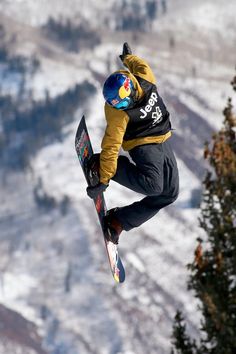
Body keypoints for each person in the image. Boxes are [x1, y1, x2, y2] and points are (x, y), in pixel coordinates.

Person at [86, 43, 179, 244]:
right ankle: (108, 166)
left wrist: (128, 58)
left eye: (120, 101)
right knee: (154, 186)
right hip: (143, 143)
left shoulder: (145, 80)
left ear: (129, 88)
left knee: (170, 193)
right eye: (113, 103)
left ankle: (119, 219)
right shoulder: (118, 113)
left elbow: (140, 65)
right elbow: (111, 144)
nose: (118, 106)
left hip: (162, 138)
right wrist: (103, 177)